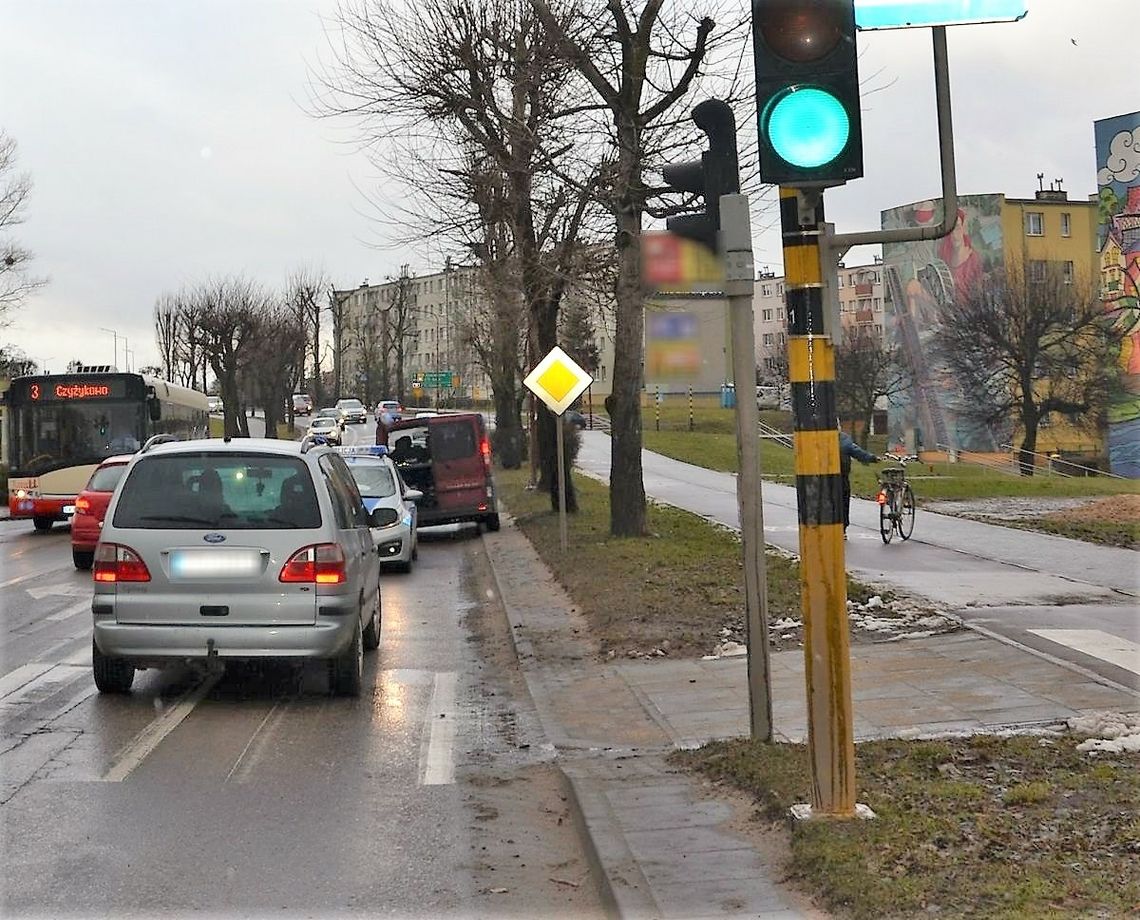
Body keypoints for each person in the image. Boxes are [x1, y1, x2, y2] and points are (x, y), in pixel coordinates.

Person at [839, 423, 878, 538]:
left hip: (825, 476)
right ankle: (842, 529)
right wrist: (871, 458)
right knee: (843, 502)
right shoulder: (844, 439)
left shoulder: (819, 437)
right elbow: (856, 451)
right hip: (841, 475)